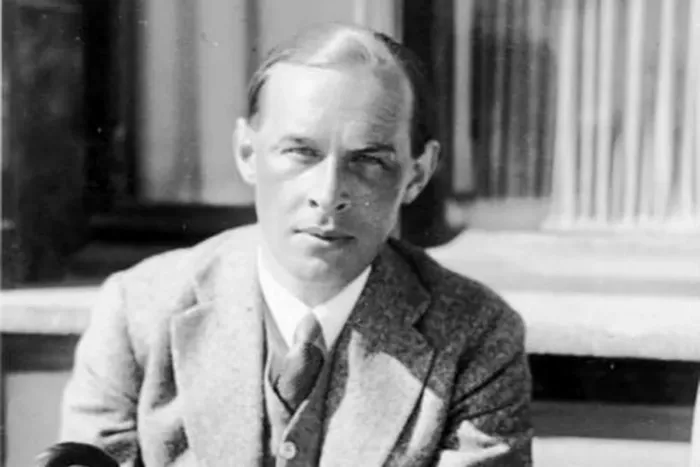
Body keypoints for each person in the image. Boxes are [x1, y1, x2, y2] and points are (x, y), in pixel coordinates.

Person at [60, 23, 532, 466]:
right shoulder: (138, 313)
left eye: (369, 160)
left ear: (417, 175)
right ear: (248, 153)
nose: (327, 195)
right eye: (301, 152)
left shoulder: (475, 336)